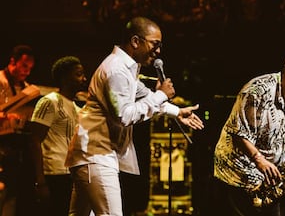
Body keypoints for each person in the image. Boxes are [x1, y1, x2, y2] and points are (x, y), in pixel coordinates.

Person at [64, 16, 204, 216]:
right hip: (96, 154)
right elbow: (124, 115)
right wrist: (161, 94)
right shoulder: (116, 70)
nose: (158, 51)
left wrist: (176, 111)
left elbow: (145, 96)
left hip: (92, 154)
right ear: (135, 41)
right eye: (155, 44)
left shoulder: (126, 68)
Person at [212, 49, 285, 216]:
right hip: (238, 174)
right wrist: (260, 161)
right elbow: (239, 133)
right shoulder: (258, 90)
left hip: (267, 180)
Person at [24, 56, 87, 216]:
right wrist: (40, 181)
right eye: (78, 74)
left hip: (70, 173)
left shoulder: (76, 108)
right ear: (65, 77)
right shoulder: (50, 101)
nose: (84, 79)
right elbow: (35, 139)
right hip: (53, 173)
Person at [0, 45, 36, 216]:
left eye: (29, 68)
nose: (26, 72)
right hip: (2, 142)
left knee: (15, 191)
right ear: (12, 62)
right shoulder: (0, 80)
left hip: (17, 143)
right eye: (24, 66)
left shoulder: (26, 87)